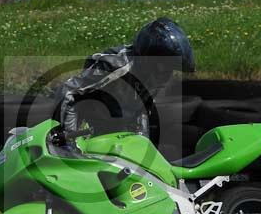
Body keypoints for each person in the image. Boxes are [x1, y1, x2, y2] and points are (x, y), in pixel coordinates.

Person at [55, 17, 195, 137]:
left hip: (116, 127)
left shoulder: (158, 76)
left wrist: (142, 145)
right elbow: (69, 92)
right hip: (82, 127)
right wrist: (69, 139)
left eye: (171, 67)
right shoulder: (116, 65)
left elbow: (142, 111)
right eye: (163, 65)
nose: (166, 73)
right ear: (147, 57)